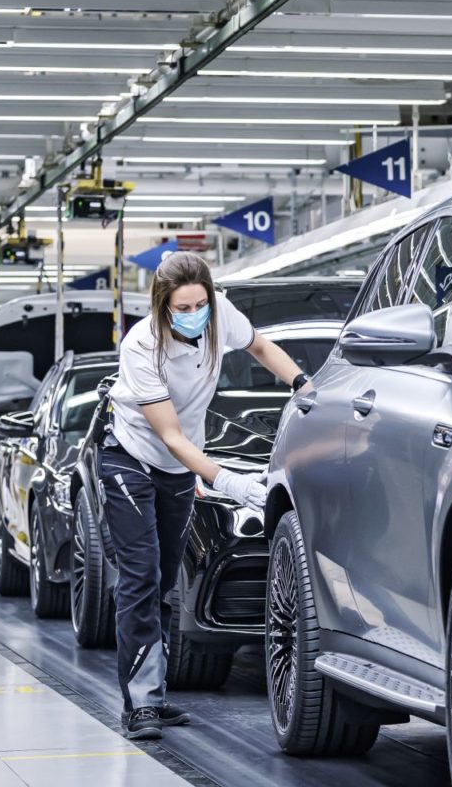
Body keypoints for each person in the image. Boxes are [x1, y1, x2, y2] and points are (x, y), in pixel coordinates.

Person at [101, 252, 309, 740]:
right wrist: (227, 481)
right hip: (131, 458)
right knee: (141, 576)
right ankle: (140, 706)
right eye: (183, 308)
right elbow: (171, 436)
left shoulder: (219, 314)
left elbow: (261, 347)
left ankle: (155, 695)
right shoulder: (141, 346)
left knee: (164, 577)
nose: (195, 314)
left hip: (178, 466)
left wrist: (305, 386)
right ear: (162, 306)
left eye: (201, 304)